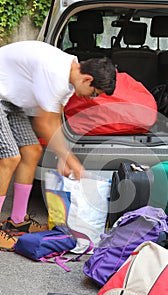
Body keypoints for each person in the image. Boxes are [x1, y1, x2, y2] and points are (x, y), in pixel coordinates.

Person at [0, 40, 116, 238]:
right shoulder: (54, 73)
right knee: (10, 158)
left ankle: (16, 222)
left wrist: (63, 157)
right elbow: (43, 124)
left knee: (32, 151)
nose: (92, 98)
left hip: (11, 101)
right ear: (88, 79)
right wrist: (74, 163)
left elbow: (55, 118)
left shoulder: (69, 74)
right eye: (95, 93)